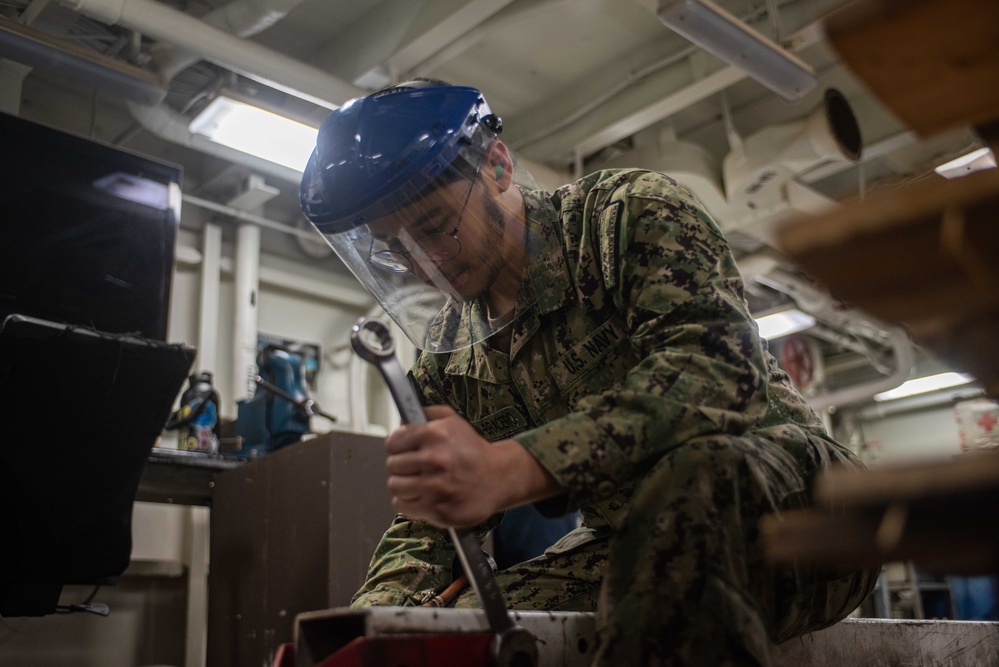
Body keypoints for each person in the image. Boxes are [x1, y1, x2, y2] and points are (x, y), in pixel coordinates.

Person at [300, 79, 878, 666]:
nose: (426, 264)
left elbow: (716, 372)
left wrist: (513, 466)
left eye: (433, 227)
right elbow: (426, 523)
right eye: (394, 249)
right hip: (632, 538)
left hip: (798, 504)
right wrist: (366, 628)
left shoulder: (626, 216)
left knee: (699, 479)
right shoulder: (448, 358)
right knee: (458, 632)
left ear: (496, 165)